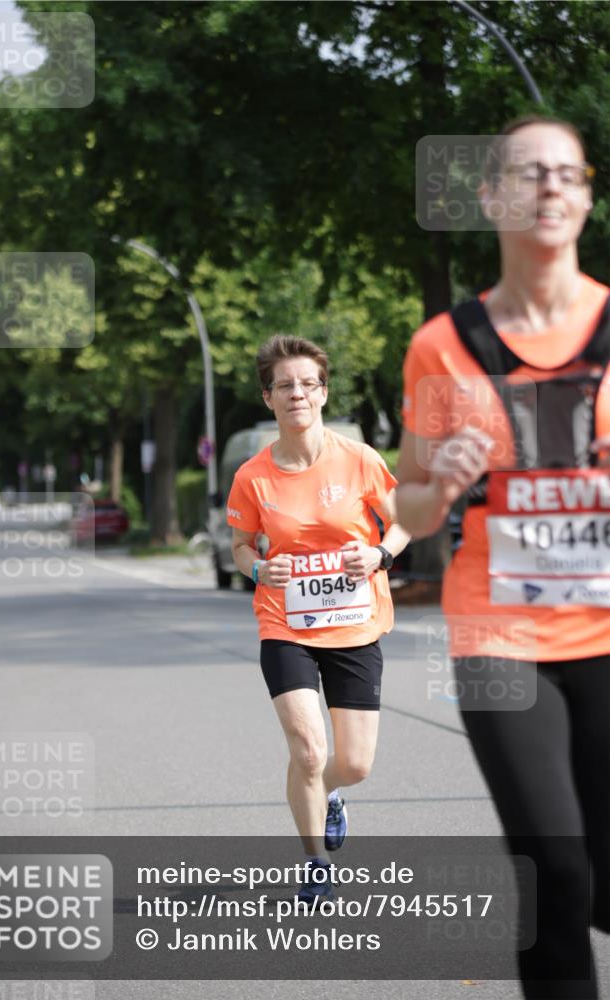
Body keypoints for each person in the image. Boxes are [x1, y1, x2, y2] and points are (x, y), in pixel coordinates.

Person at [395, 116, 609, 998]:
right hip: (499, 638)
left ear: (587, 196)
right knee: (550, 871)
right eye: (528, 173)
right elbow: (405, 513)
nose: (549, 187)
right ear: (489, 198)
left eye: (567, 173)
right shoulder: (440, 347)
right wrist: (438, 485)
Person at [228, 334, 410, 903]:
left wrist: (380, 553)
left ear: (323, 392)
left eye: (308, 384)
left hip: (354, 624)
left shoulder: (360, 460)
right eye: (285, 386)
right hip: (285, 625)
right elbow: (239, 546)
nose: (297, 394)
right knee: (308, 749)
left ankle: (327, 794)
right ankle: (313, 862)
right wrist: (259, 571)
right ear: (268, 398)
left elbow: (402, 523)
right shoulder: (253, 476)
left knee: (351, 764)